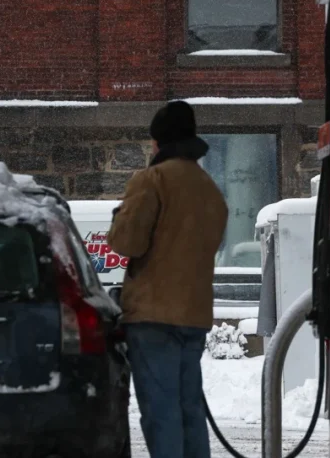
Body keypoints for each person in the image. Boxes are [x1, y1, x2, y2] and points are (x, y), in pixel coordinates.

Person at [108, 100, 228, 458]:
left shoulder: (152, 180)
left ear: (158, 142)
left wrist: (120, 216)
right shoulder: (209, 189)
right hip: (194, 316)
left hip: (153, 317)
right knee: (189, 409)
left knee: (161, 412)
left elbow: (126, 241)